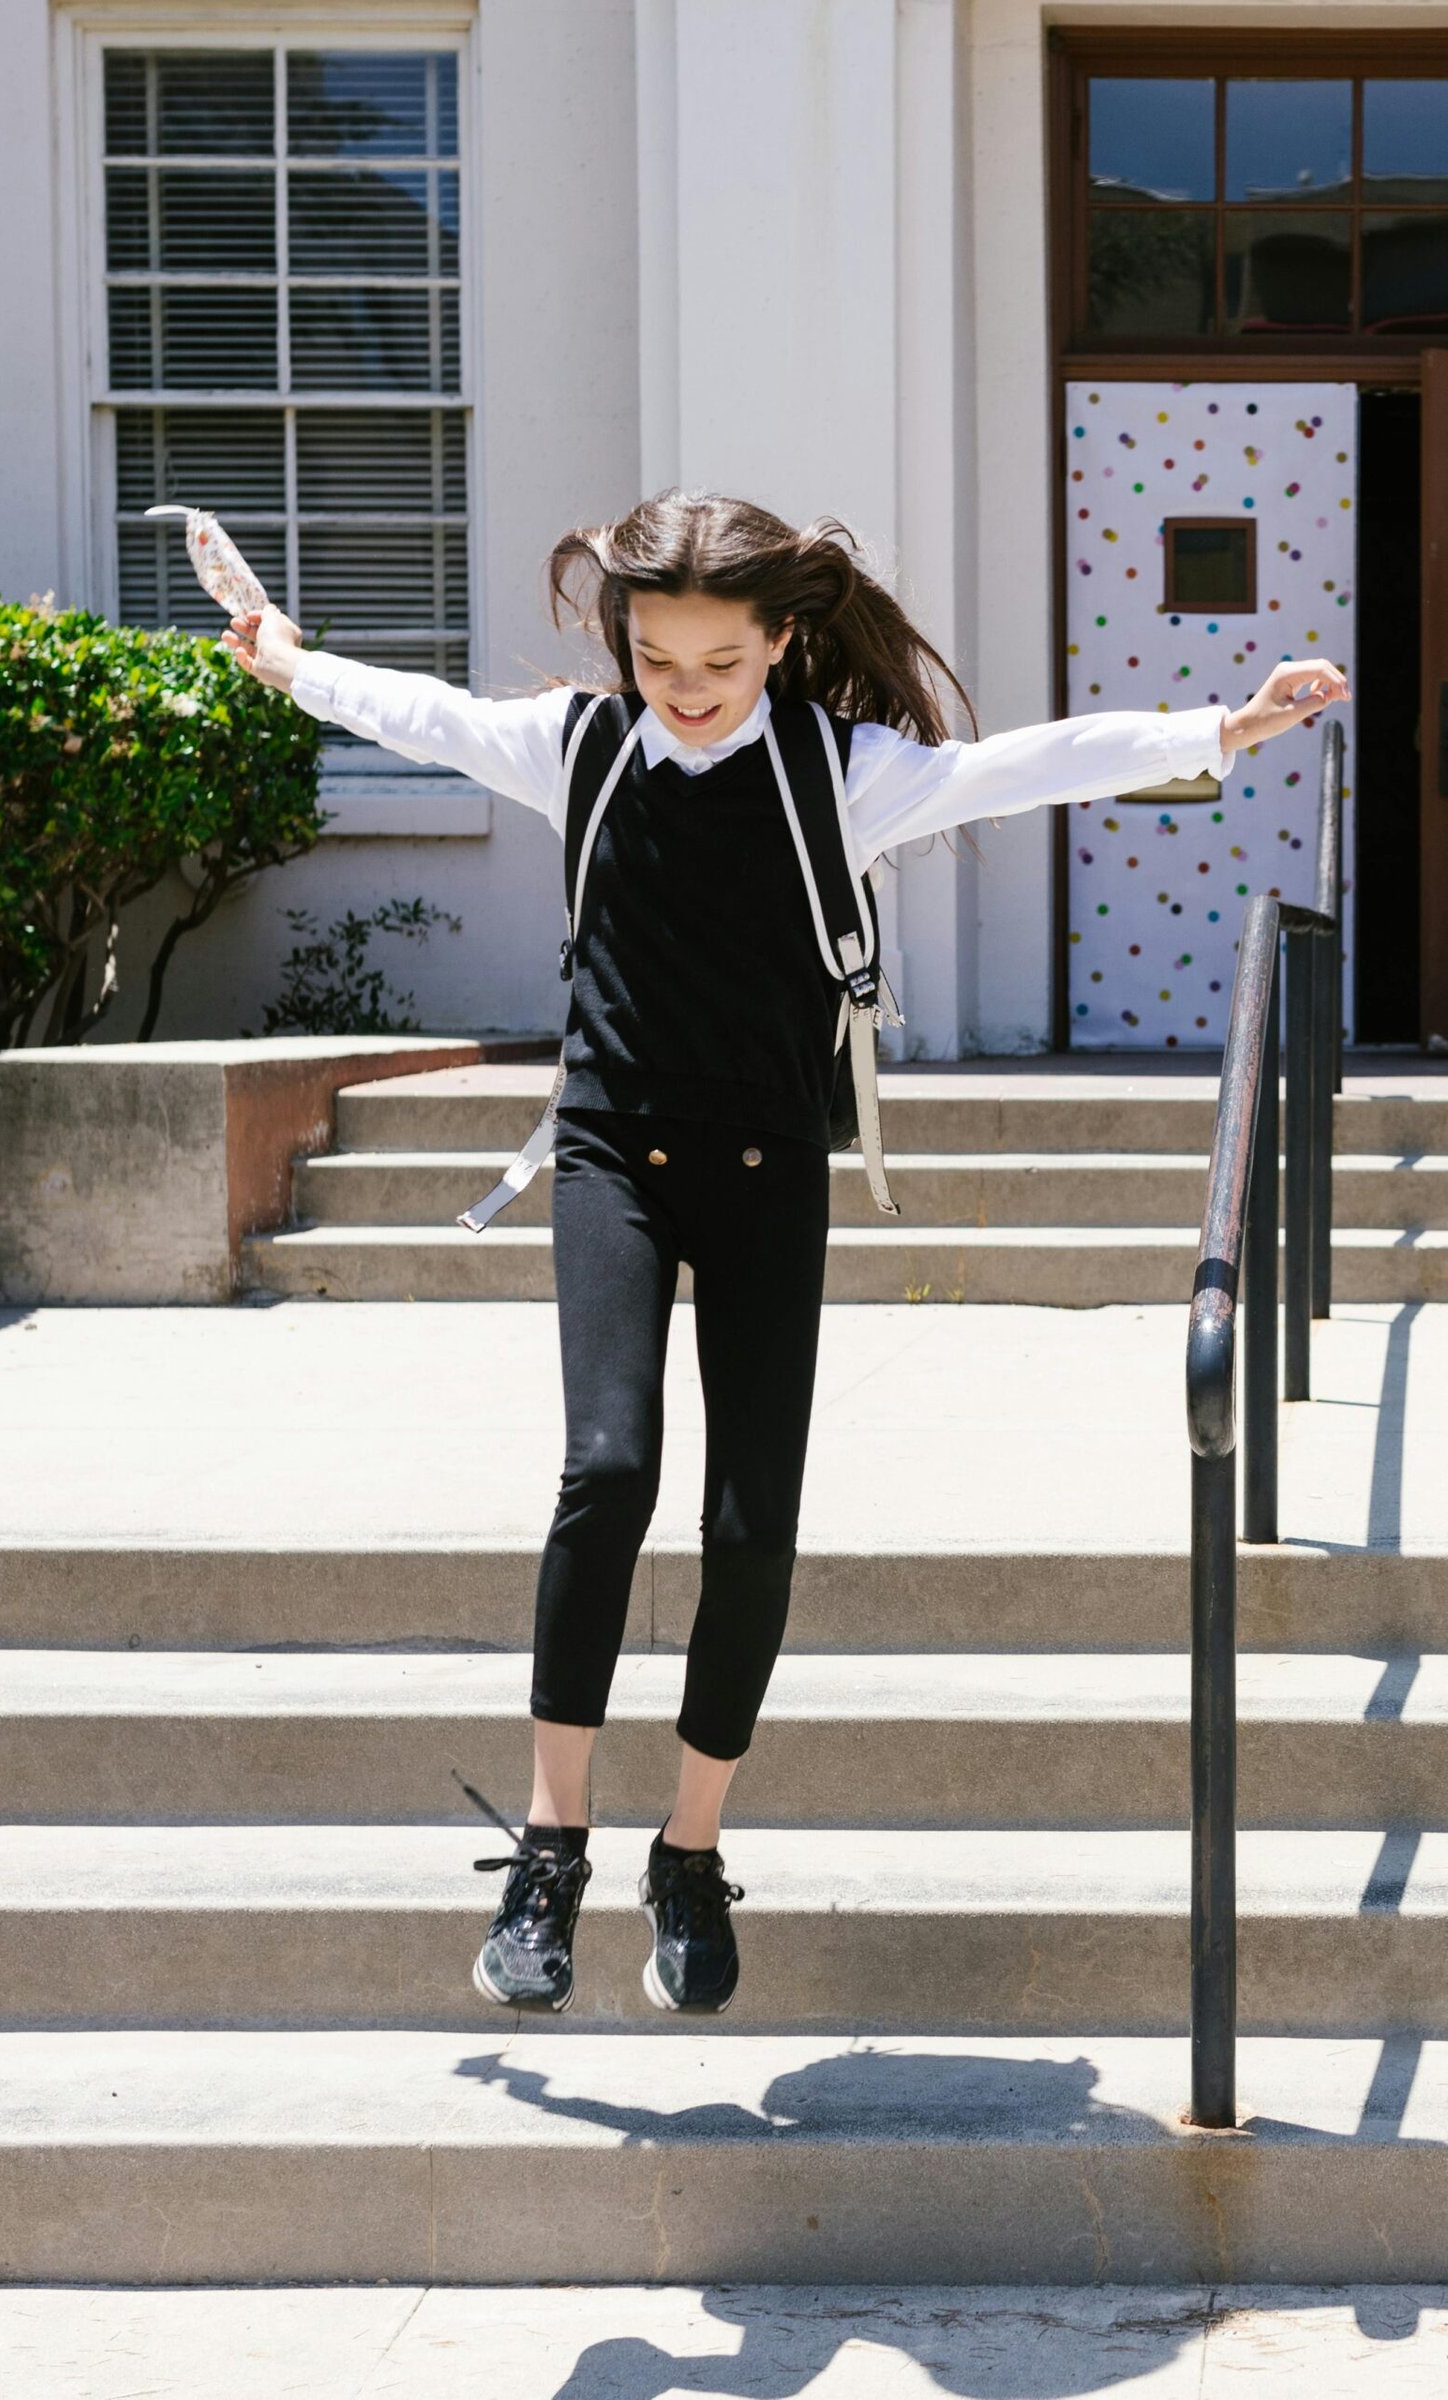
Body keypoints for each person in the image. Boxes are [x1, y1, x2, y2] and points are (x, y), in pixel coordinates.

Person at [227, 488, 1349, 2019]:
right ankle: (552, 1847)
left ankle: (687, 1854)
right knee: (608, 1470)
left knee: (753, 1522)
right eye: (657, 657)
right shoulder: (585, 747)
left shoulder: (845, 771)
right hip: (614, 1151)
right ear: (624, 642)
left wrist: (1221, 728)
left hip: (767, 1170)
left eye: (718, 663)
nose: (683, 692)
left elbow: (1019, 770)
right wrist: (288, 660)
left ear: (779, 643)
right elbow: (422, 715)